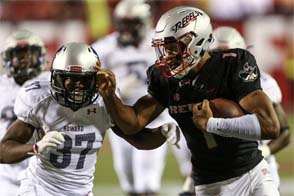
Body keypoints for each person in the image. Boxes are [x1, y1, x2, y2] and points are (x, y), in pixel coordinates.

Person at [96, 6, 281, 196]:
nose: (167, 55)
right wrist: (110, 97)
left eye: (173, 47)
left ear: (197, 41)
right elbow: (133, 124)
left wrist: (212, 124)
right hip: (208, 185)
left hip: (253, 175)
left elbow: (270, 126)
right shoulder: (164, 79)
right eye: (163, 48)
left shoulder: (232, 63)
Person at [0, 42, 180, 196]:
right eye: (68, 79)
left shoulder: (104, 100)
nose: (76, 86)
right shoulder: (39, 99)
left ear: (95, 80)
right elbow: (4, 150)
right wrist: (35, 147)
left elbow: (136, 138)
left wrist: (161, 133)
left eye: (83, 80)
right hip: (40, 189)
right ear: (55, 77)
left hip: (82, 191)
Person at [92, 1, 191, 195]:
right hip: (120, 117)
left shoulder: (161, 43)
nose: (127, 28)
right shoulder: (104, 47)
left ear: (145, 21)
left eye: (132, 23)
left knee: (146, 183)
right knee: (129, 181)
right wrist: (114, 89)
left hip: (155, 115)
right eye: (124, 22)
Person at [210, 26, 291, 187]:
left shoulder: (264, 83)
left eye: (230, 55)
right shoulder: (201, 87)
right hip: (222, 172)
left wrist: (262, 153)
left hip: (261, 168)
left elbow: (284, 133)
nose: (225, 61)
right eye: (218, 56)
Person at [0, 29, 48, 196]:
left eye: (29, 55)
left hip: (43, 175)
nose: (24, 60)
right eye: (18, 56)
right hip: (5, 175)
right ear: (7, 59)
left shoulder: (50, 83)